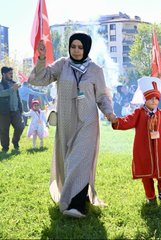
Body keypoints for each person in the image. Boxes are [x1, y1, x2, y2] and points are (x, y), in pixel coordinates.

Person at [28, 32, 116, 218]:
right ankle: (80, 194)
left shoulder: (95, 70)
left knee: (80, 160)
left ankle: (75, 206)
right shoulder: (62, 65)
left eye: (80, 47)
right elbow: (38, 79)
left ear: (86, 48)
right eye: (73, 46)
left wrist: (108, 112)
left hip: (88, 122)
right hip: (66, 120)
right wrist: (42, 58)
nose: (76, 51)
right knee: (68, 161)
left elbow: (101, 96)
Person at [111, 77, 161, 203]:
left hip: (159, 150)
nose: (154, 101)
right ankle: (150, 197)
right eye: (150, 98)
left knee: (160, 171)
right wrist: (117, 121)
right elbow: (128, 121)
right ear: (145, 99)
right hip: (142, 149)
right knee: (146, 174)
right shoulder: (138, 113)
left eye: (156, 98)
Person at [0, 66, 25, 152]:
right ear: (4, 74)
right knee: (4, 131)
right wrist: (12, 89)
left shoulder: (15, 83)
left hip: (15, 111)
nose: (12, 75)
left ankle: (15, 142)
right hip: (4, 112)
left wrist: (21, 108)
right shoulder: (1, 85)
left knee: (20, 127)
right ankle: (5, 148)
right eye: (10, 73)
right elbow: (1, 94)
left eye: (12, 73)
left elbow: (18, 97)